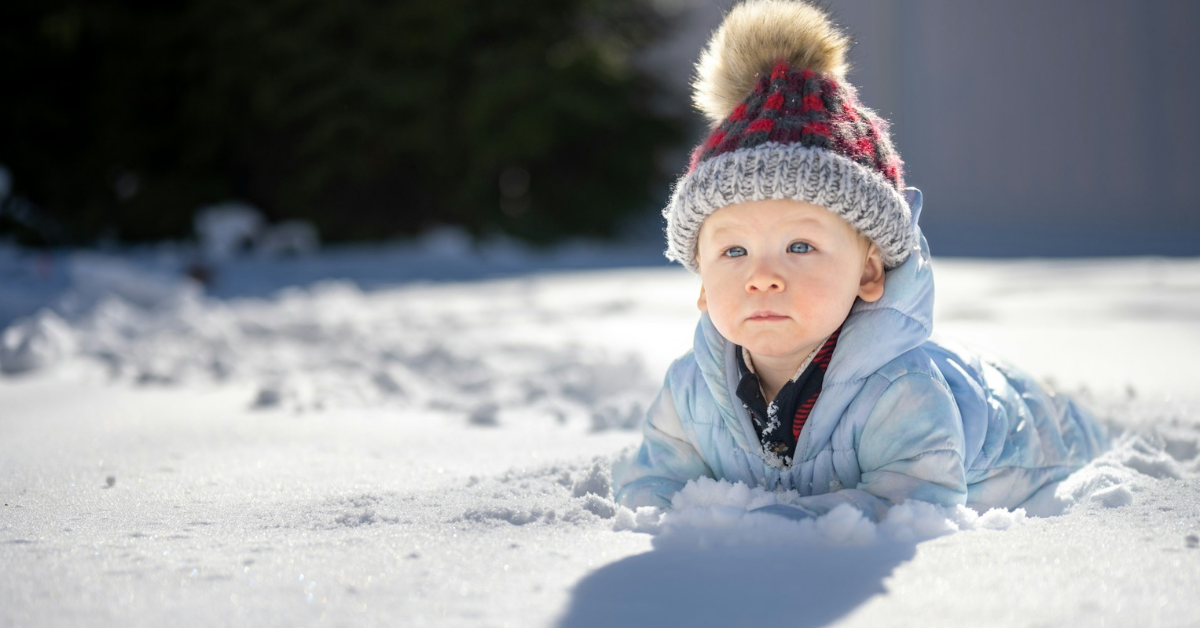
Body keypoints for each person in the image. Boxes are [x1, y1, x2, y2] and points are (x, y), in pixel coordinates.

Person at [612, 0, 1107, 520]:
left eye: (799, 247)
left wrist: (784, 527)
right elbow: (654, 482)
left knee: (1069, 422)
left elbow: (915, 500)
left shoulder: (903, 391)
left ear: (868, 271)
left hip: (1038, 440)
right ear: (704, 287)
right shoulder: (691, 390)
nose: (761, 277)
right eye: (733, 251)